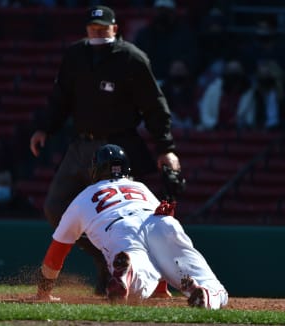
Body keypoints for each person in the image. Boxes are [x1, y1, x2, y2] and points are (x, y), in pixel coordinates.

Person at [29, 5, 181, 296]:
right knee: (55, 207)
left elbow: (154, 106)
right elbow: (60, 98)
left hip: (118, 146)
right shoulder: (75, 55)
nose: (97, 32)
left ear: (115, 28)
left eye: (103, 27)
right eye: (92, 27)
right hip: (81, 145)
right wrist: (44, 128)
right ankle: (108, 262)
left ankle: (147, 276)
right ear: (86, 29)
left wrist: (166, 148)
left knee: (131, 215)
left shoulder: (131, 59)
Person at [33, 144, 228, 310]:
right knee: (215, 288)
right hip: (160, 222)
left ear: (96, 169)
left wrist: (44, 293)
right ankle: (206, 295)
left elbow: (57, 251)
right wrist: (162, 289)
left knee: (138, 284)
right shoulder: (140, 187)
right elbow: (159, 238)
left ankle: (129, 272)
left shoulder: (83, 197)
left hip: (119, 230)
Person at [133, 0, 199, 83]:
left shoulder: (184, 34)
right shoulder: (144, 34)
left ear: (173, 13)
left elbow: (192, 56)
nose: (162, 14)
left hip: (174, 82)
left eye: (166, 11)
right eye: (160, 10)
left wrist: (184, 63)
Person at [197, 59, 250, 130]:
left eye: (236, 70)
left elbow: (250, 118)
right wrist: (215, 125)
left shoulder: (249, 93)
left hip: (240, 134)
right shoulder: (213, 89)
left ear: (242, 72)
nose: (233, 73)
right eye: (231, 70)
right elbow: (205, 113)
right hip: (214, 133)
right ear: (225, 72)